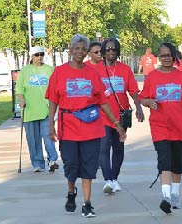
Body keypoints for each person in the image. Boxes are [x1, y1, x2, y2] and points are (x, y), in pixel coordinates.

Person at [45, 34, 126, 218]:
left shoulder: (92, 73)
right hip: (69, 126)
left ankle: (87, 203)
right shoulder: (59, 72)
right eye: (77, 48)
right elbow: (52, 101)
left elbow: (102, 101)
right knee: (71, 165)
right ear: (70, 49)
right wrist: (51, 126)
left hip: (90, 127)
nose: (80, 52)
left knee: (89, 167)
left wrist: (116, 123)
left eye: (83, 49)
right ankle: (71, 191)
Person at [138, 42, 182, 214]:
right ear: (158, 57)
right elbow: (142, 98)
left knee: (177, 163)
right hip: (160, 126)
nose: (166, 58)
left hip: (178, 126)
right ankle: (165, 197)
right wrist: (148, 102)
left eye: (169, 55)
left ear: (174, 56)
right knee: (164, 160)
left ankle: (175, 194)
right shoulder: (152, 77)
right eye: (163, 55)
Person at [95, 38, 145, 194]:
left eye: (114, 49)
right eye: (108, 49)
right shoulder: (96, 70)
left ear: (118, 51)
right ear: (103, 52)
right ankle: (108, 179)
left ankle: (114, 178)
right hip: (102, 116)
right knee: (103, 147)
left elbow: (133, 91)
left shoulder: (125, 69)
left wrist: (138, 108)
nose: (111, 51)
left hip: (121, 114)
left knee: (118, 147)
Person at [15, 46, 59, 173]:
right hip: (30, 110)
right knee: (33, 139)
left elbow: (55, 86)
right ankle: (38, 163)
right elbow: (19, 88)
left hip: (45, 109)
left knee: (48, 136)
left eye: (41, 54)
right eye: (37, 55)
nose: (39, 57)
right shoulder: (25, 70)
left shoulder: (49, 69)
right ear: (31, 56)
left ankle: (52, 160)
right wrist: (21, 99)